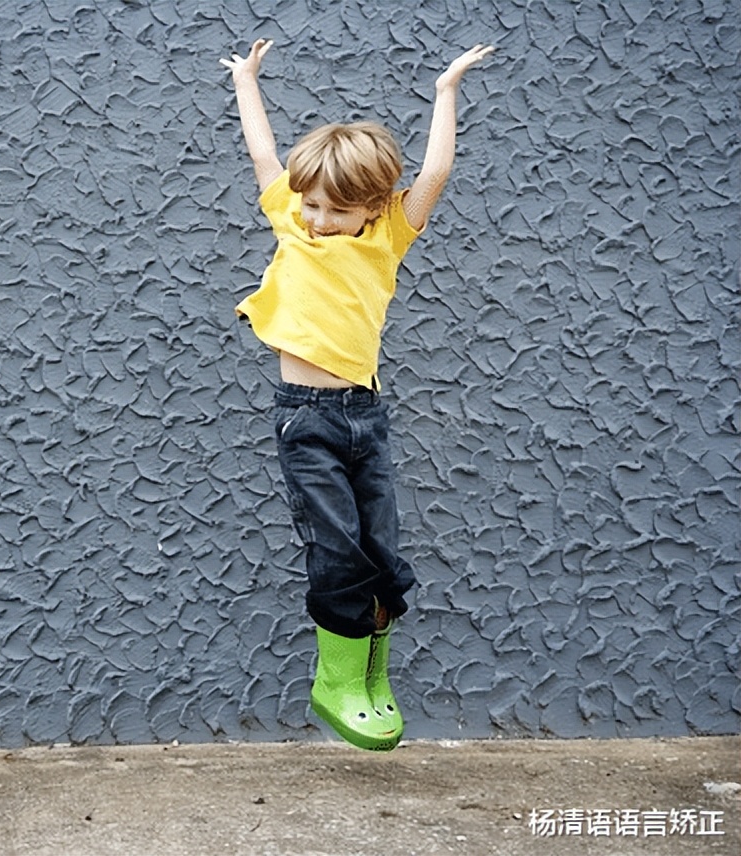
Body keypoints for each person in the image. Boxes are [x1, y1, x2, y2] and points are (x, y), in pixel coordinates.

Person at [220, 39, 495, 751]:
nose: (314, 219)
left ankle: (374, 678)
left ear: (373, 206)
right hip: (305, 420)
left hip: (364, 418)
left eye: (333, 211)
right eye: (309, 204)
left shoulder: (387, 238)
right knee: (336, 552)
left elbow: (434, 171)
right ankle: (335, 680)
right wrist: (247, 82)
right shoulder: (293, 223)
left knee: (382, 555)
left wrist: (445, 92)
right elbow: (263, 157)